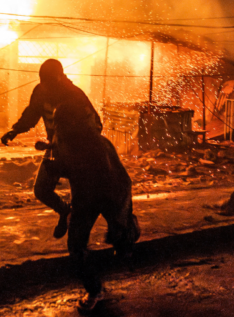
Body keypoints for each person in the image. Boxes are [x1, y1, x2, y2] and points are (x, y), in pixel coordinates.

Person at [49, 98, 140, 313]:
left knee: (118, 236)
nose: (57, 127)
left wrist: (118, 220)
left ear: (73, 123)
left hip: (108, 195)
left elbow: (98, 176)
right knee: (76, 247)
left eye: (61, 123)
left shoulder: (95, 144)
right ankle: (94, 288)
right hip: (87, 198)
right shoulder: (71, 139)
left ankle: (125, 238)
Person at [0, 59, 101, 239]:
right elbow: (31, 113)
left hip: (79, 152)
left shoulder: (75, 96)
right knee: (41, 190)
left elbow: (96, 124)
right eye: (43, 82)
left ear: (60, 78)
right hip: (56, 149)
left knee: (81, 196)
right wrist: (15, 130)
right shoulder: (41, 92)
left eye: (50, 82)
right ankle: (64, 211)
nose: (46, 87)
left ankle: (78, 239)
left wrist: (80, 145)